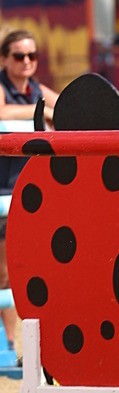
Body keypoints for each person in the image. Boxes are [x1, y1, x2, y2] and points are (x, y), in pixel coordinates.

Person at [0, 30, 58, 359]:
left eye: (32, 56)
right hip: (3, 193)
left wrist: (48, 111)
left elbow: (64, 106)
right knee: (6, 273)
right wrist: (42, 112)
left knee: (37, 266)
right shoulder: (4, 87)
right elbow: (2, 112)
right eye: (19, 56)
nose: (26, 62)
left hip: (33, 193)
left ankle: (31, 345)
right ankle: (10, 345)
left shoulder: (36, 88)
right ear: (4, 59)